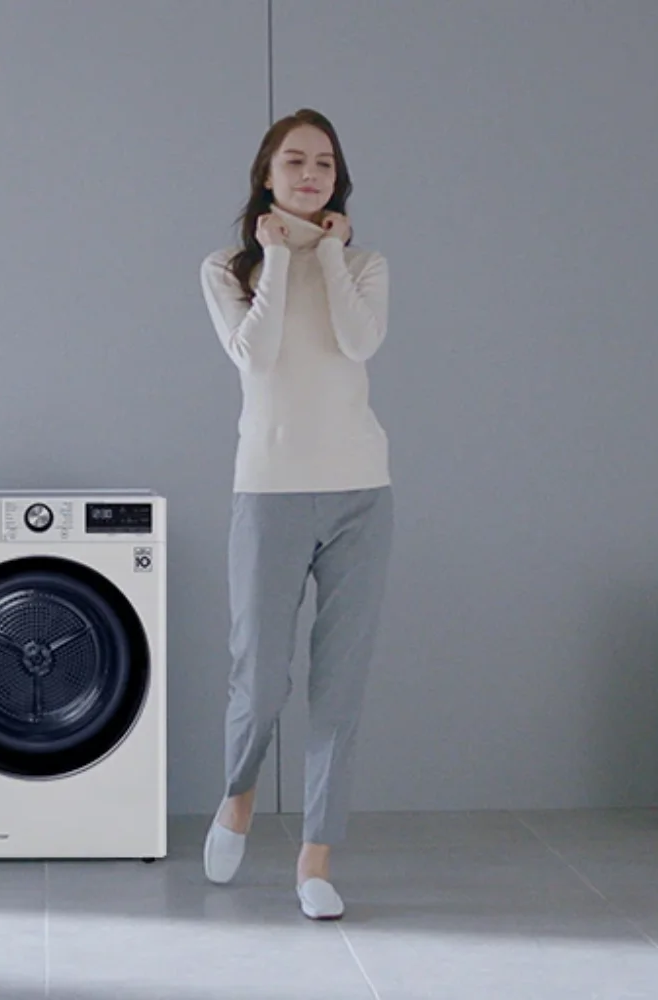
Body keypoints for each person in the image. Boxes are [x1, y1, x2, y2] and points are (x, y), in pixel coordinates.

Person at [199, 108, 394, 920]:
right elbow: (257, 353)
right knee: (262, 681)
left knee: (339, 687)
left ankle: (316, 859)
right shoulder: (226, 266)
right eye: (294, 162)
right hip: (270, 489)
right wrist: (278, 256)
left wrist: (331, 253)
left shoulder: (366, 263)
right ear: (267, 175)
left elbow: (359, 345)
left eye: (324, 163)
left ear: (336, 180)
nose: (310, 174)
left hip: (361, 493)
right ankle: (239, 794)